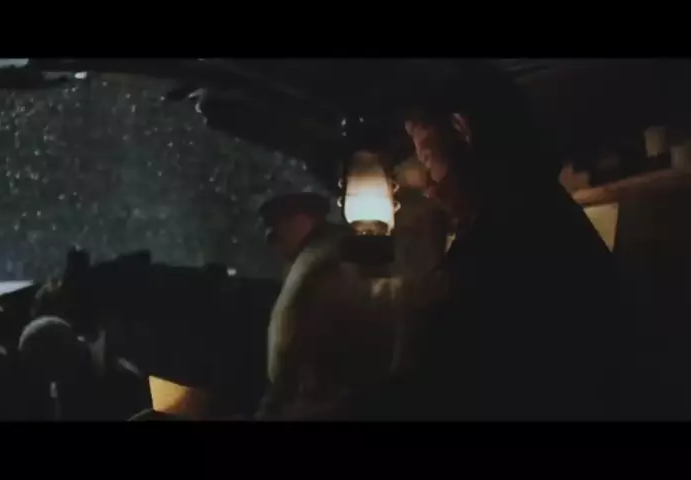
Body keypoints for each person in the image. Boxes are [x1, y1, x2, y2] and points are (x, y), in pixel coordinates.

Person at [362, 60, 648, 420]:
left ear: (463, 131)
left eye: (430, 160)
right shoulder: (542, 218)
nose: (431, 187)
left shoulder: (511, 242)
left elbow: (447, 380)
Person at [255, 192, 403, 420]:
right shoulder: (309, 259)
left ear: (302, 218)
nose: (272, 240)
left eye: (278, 227)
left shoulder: (339, 254)